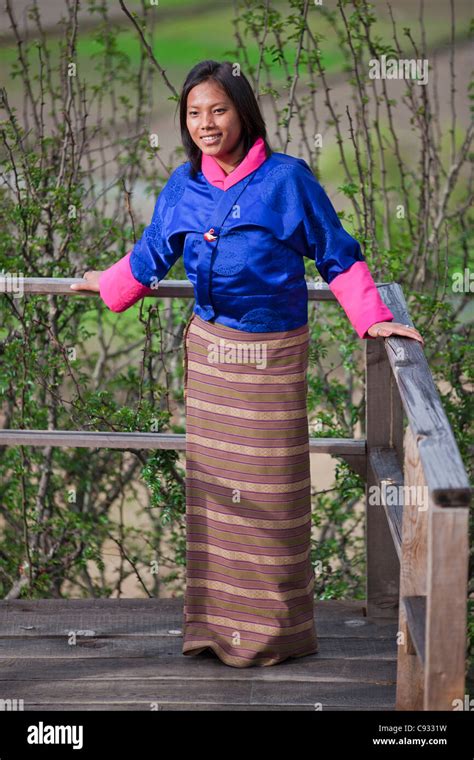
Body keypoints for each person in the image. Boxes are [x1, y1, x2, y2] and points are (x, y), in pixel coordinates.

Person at [70, 60, 423, 668]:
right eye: (194, 113)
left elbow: (336, 255)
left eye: (218, 110)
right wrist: (104, 285)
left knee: (273, 497)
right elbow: (151, 255)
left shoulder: (288, 180)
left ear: (242, 112)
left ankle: (273, 636)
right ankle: (213, 631)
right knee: (215, 502)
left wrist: (371, 317)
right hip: (211, 361)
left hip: (271, 362)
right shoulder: (184, 186)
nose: (206, 124)